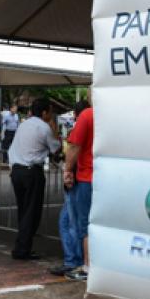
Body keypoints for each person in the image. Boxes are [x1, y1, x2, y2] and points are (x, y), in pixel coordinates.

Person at [7, 98, 60, 260]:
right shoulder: (44, 127)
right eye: (50, 112)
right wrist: (54, 129)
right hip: (31, 172)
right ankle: (22, 249)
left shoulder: (23, 124)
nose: (51, 115)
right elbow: (55, 148)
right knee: (32, 212)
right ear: (44, 112)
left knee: (23, 210)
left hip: (17, 170)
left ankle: (21, 246)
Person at [49, 100, 89, 277]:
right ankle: (77, 260)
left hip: (79, 179)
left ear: (75, 115)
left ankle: (74, 261)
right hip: (86, 179)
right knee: (77, 223)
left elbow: (73, 149)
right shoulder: (99, 125)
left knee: (69, 222)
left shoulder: (81, 124)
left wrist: (67, 172)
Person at [64, 91, 93, 281]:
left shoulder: (88, 115)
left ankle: (87, 266)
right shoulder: (114, 114)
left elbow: (74, 146)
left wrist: (67, 170)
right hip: (111, 177)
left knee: (86, 224)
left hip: (87, 177)